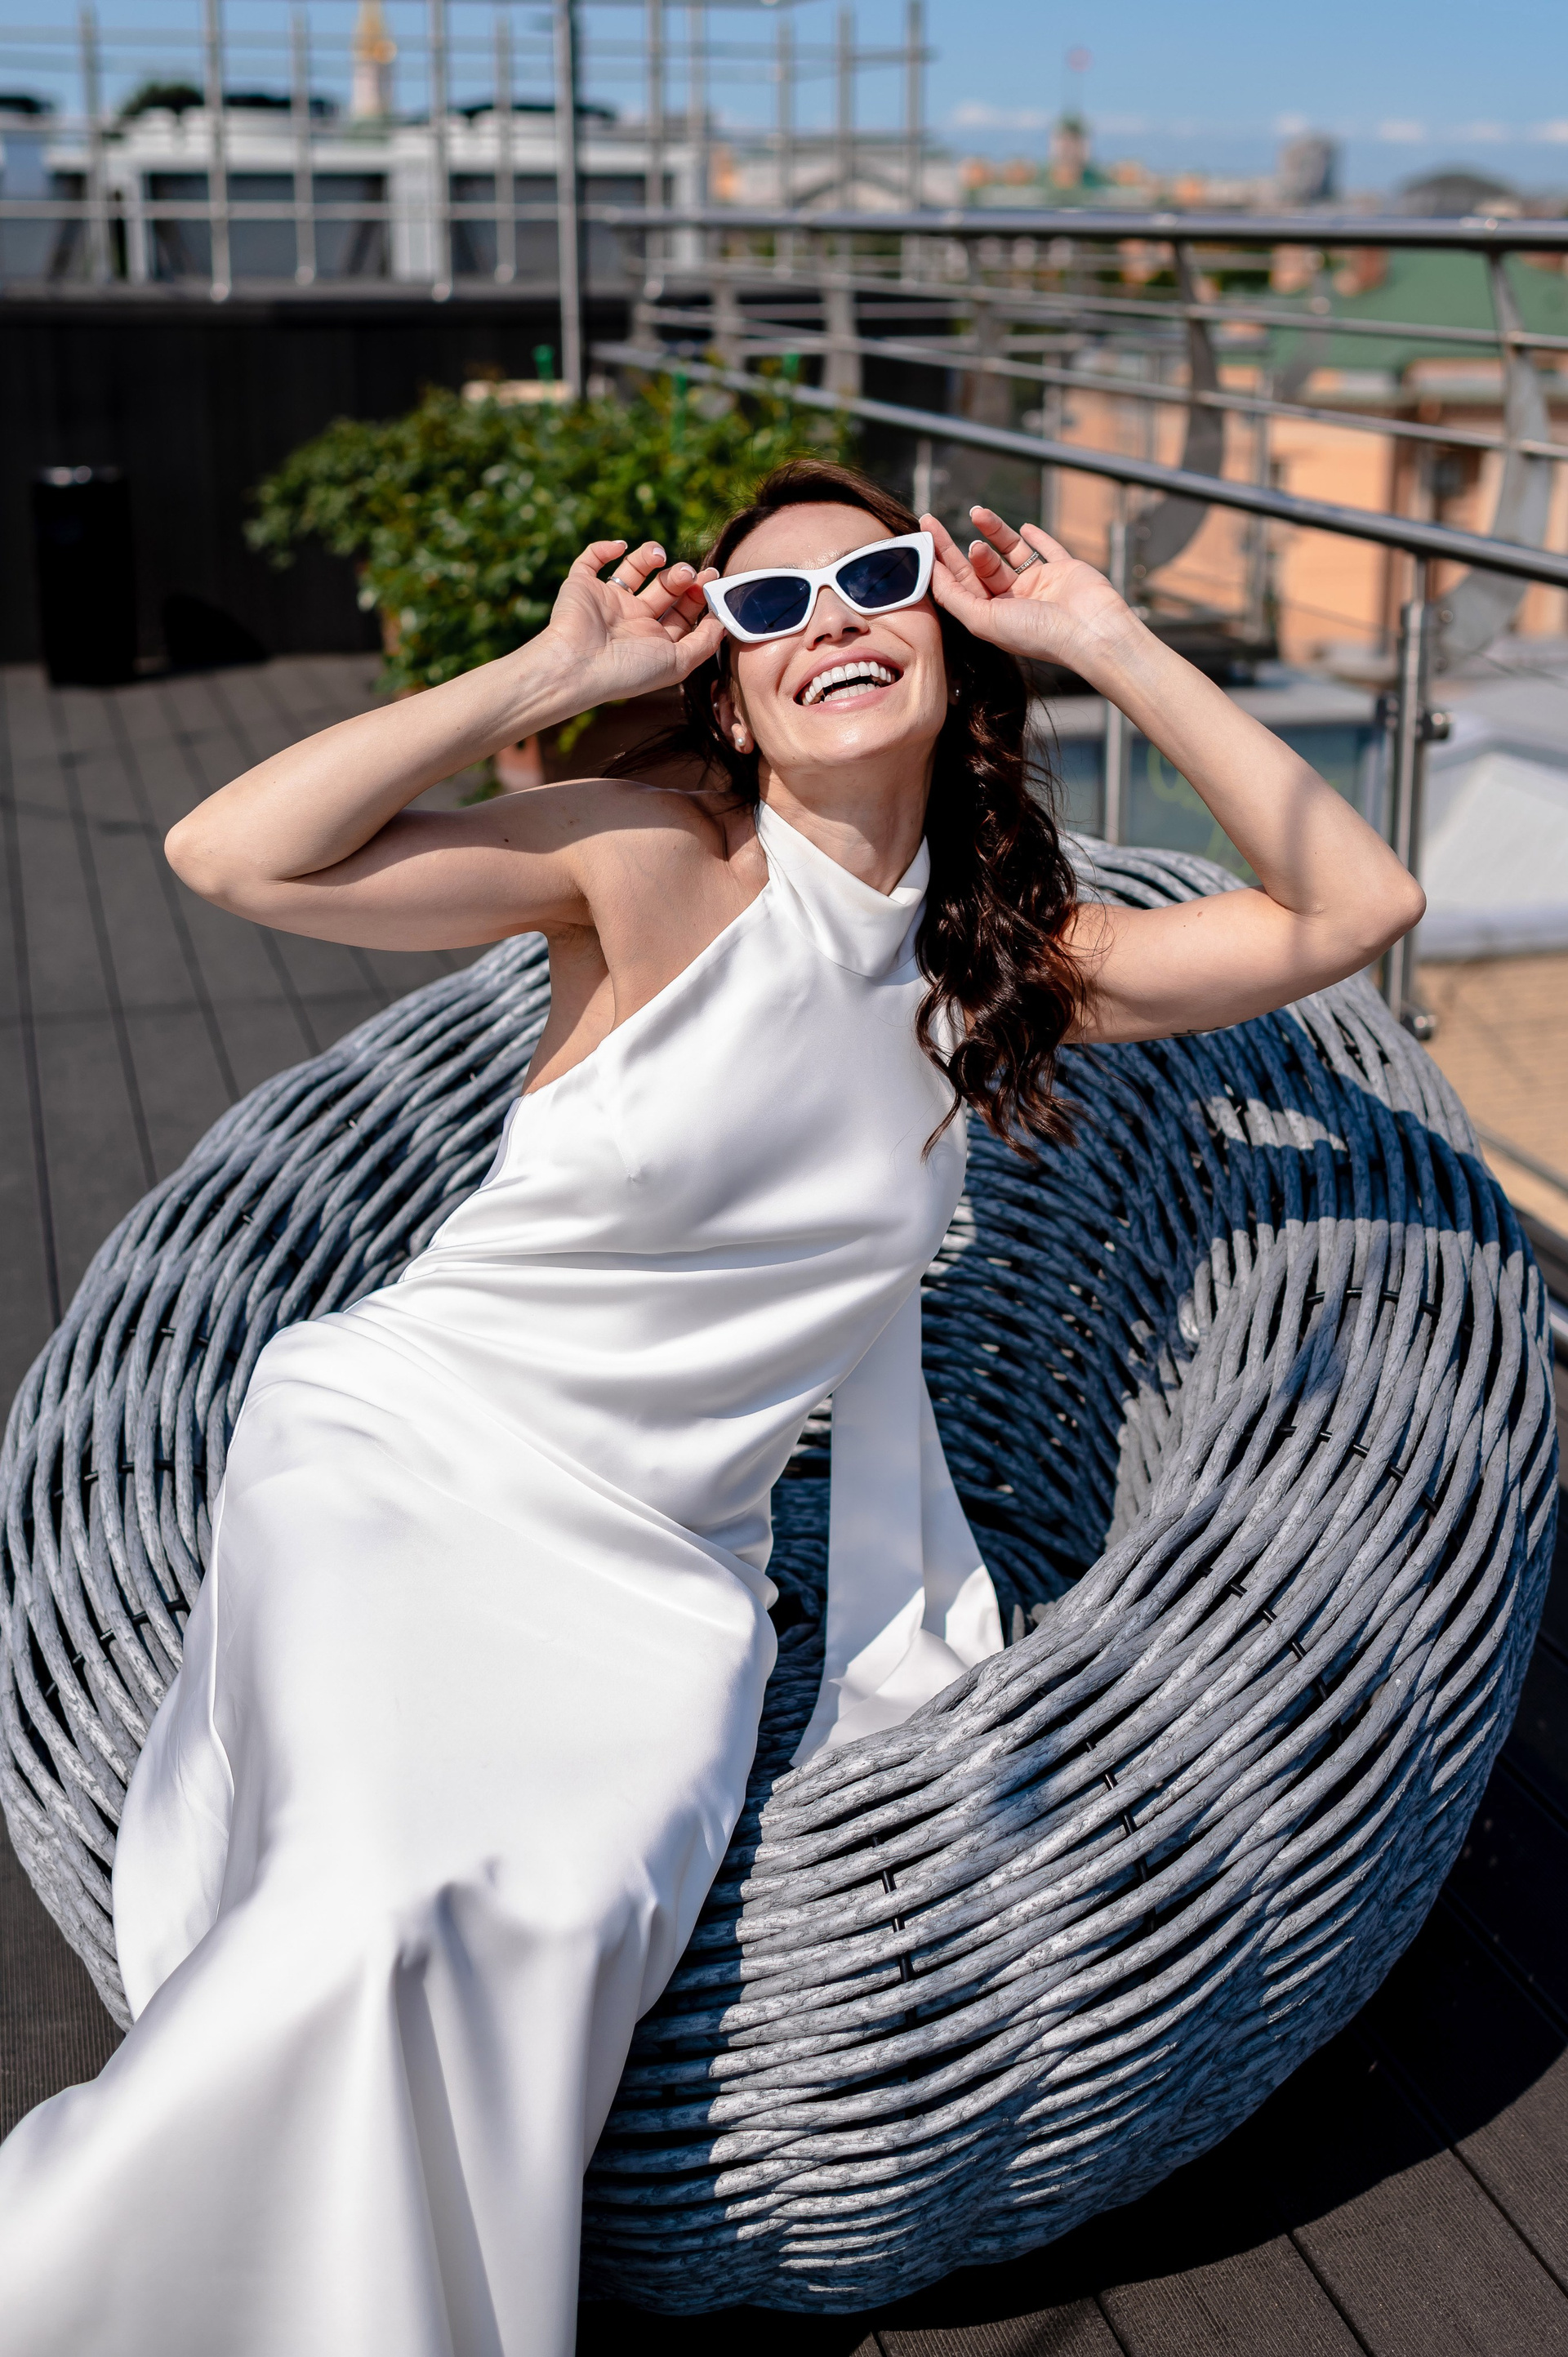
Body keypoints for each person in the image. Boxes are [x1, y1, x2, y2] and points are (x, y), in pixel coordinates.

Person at [0, 460, 1422, 2356]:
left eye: (878, 579)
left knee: (545, 1913)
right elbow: (229, 857)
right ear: (734, 693)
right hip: (406, 1454)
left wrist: (1103, 636)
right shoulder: (647, 858)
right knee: (372, 1898)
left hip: (664, 1575)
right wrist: (545, 677)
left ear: (946, 637)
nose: (828, 620)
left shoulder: (996, 972)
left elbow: (1359, 901)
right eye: (768, 607)